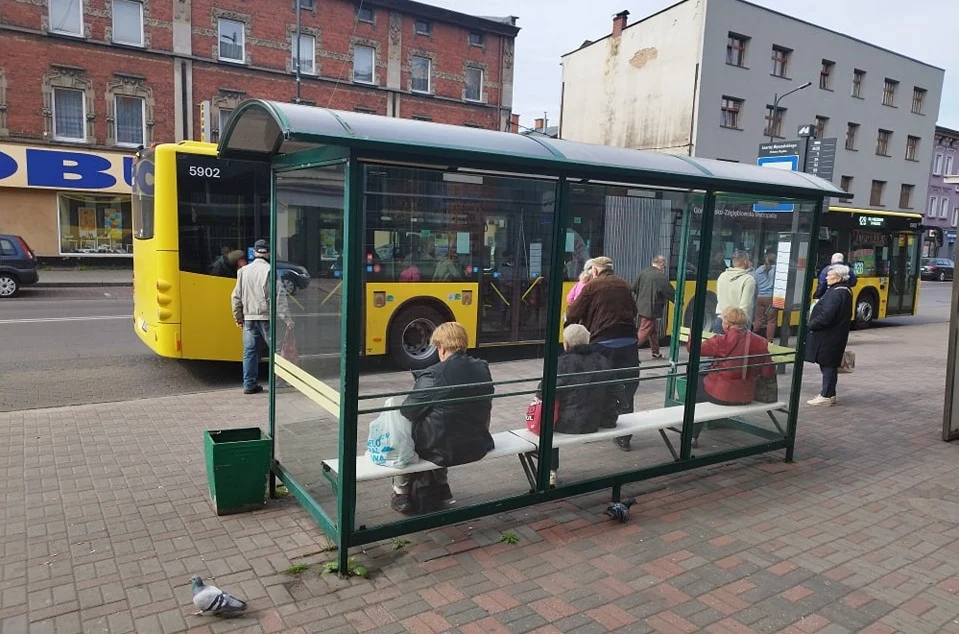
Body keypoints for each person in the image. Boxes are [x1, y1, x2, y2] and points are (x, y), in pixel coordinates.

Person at [393, 322, 494, 514]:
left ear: (441, 346)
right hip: (479, 443)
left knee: (404, 428)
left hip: (443, 451)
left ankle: (401, 490)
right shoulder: (482, 367)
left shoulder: (434, 375)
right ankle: (441, 484)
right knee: (444, 420)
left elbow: (407, 411)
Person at [565, 256, 640, 451]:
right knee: (627, 387)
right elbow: (634, 311)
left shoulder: (592, 286)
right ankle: (624, 437)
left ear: (596, 271)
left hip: (604, 342)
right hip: (629, 342)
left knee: (599, 385)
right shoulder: (624, 284)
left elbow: (573, 314)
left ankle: (597, 424)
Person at [536, 325, 623, 486]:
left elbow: (542, 394)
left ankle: (551, 471)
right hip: (598, 421)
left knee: (548, 423)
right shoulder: (602, 360)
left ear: (566, 344)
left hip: (566, 424)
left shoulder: (560, 363)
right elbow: (618, 391)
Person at [689, 307, 776, 444]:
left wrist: (693, 328)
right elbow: (768, 371)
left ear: (727, 324)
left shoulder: (721, 340)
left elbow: (692, 348)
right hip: (747, 395)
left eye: (723, 320)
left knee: (696, 384)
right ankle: (694, 434)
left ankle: (692, 435)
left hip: (722, 396)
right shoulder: (760, 342)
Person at [231, 239, 290, 394]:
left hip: (249, 318)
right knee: (276, 350)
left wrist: (238, 317)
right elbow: (279, 297)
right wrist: (287, 318)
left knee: (249, 352)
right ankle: (278, 382)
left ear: (255, 252)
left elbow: (236, 297)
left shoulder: (243, 271)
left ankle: (249, 385)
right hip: (267, 317)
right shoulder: (271, 270)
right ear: (268, 253)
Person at [806, 264, 853, 406]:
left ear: (838, 277)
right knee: (829, 364)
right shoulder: (844, 290)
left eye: (829, 275)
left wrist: (810, 325)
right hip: (835, 335)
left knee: (827, 365)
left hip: (829, 336)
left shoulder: (836, 293)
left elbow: (827, 316)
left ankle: (826, 395)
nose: (826, 277)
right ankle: (830, 393)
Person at [631, 255, 676, 360]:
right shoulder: (659, 276)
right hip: (651, 308)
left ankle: (655, 352)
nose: (663, 268)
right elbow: (668, 291)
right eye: (663, 266)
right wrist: (678, 300)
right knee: (644, 331)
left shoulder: (644, 272)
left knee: (652, 331)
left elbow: (634, 287)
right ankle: (629, 351)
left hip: (641, 306)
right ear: (660, 263)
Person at [714, 250, 756, 334]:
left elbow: (719, 298)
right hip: (737, 325)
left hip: (720, 321)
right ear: (745, 261)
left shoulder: (722, 276)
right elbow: (745, 307)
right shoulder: (748, 279)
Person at [752, 250, 777, 342]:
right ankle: (769, 341)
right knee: (771, 320)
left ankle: (751, 336)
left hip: (760, 297)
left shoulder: (758, 270)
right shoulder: (775, 270)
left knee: (759, 319)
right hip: (770, 298)